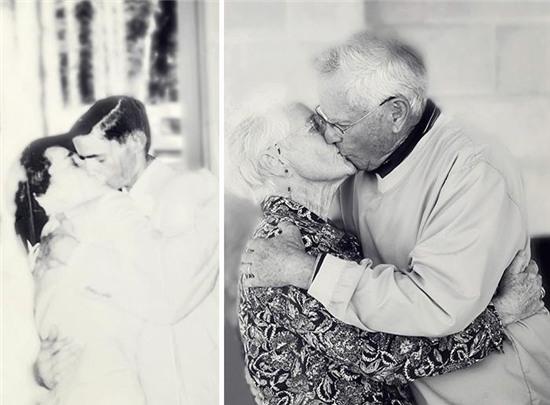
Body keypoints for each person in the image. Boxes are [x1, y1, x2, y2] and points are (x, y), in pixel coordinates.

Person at [242, 32, 550, 404]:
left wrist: (310, 272)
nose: (329, 135)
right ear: (275, 159)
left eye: (336, 124)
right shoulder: (286, 240)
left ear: (395, 113)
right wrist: (499, 315)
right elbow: (374, 351)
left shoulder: (471, 168)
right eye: (318, 122)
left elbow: (433, 309)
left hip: (499, 389)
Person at [16, 96, 218, 405]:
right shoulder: (91, 216)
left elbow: (167, 299)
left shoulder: (195, 193)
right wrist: (39, 367)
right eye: (80, 160)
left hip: (196, 389)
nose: (89, 171)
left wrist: (77, 258)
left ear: (135, 142)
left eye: (97, 159)